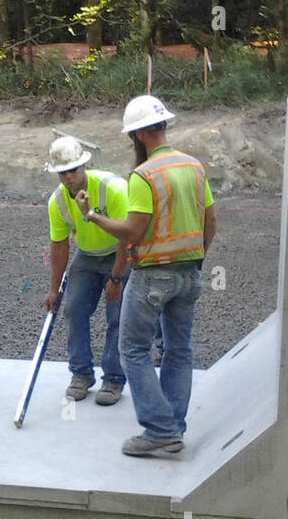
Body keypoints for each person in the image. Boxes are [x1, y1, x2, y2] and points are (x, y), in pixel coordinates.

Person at [75, 95, 217, 457]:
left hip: (153, 273)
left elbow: (132, 232)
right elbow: (210, 221)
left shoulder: (144, 175)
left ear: (136, 135)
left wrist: (91, 216)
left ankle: (159, 429)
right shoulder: (193, 166)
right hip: (189, 272)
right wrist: (196, 256)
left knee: (133, 349)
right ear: (164, 126)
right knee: (178, 350)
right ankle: (174, 426)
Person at [44, 134, 130, 405]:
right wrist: (54, 289)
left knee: (117, 316)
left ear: (84, 166)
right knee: (73, 309)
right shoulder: (57, 202)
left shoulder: (113, 189)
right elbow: (59, 246)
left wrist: (116, 277)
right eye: (62, 173)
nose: (68, 177)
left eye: (72, 170)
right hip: (88, 256)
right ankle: (81, 373)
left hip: (121, 252)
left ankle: (113, 378)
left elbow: (128, 238)